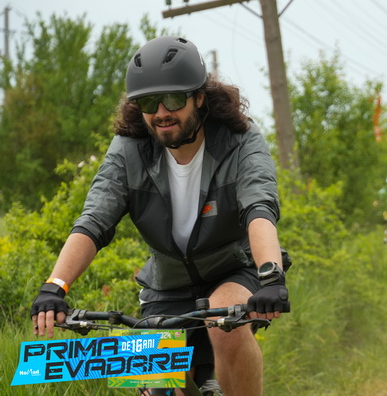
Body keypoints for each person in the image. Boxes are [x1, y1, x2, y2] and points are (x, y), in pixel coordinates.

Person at [29, 36, 291, 396]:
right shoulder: (129, 149)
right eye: (149, 103)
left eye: (173, 99)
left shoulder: (240, 140)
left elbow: (259, 209)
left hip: (234, 267)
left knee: (224, 321)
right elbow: (94, 220)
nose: (161, 113)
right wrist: (54, 287)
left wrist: (271, 276)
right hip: (166, 284)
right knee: (156, 385)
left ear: (199, 98)